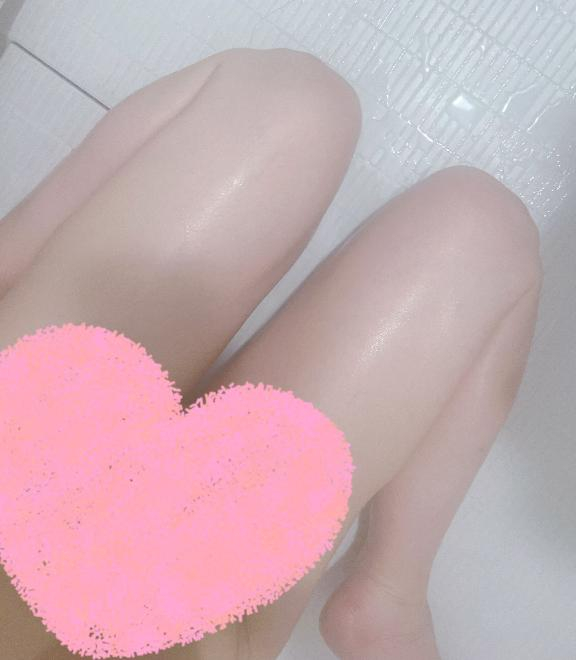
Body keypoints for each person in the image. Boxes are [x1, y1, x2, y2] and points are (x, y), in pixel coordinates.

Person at [0, 47, 542, 660]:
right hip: (171, 609)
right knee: (480, 231)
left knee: (294, 104)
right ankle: (388, 594)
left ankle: (389, 594)